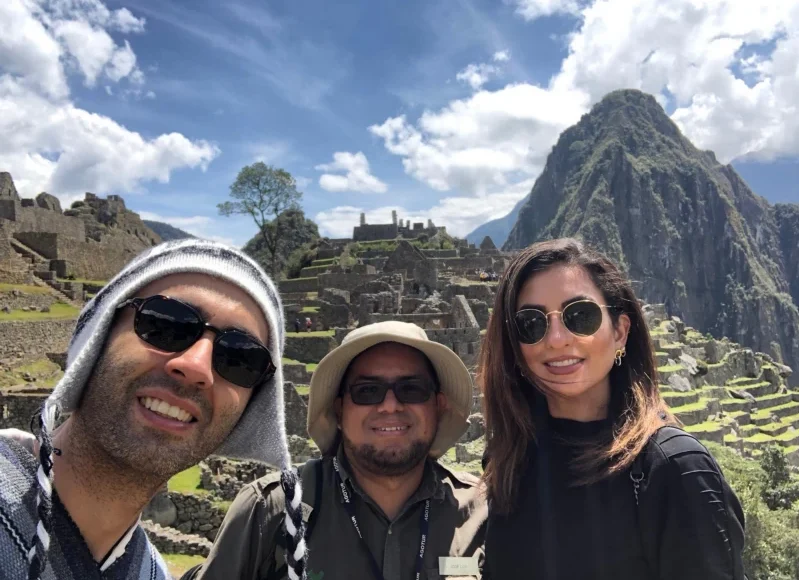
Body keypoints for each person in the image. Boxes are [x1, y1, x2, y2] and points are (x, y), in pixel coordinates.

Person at [0, 239, 307, 580]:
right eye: (166, 324)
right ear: (98, 337)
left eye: (240, 359)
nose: (196, 367)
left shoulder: (150, 572)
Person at [479, 238, 746, 580]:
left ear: (620, 331)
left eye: (580, 316)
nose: (557, 338)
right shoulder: (508, 460)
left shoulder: (673, 471)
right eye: (531, 323)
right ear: (513, 344)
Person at [185, 320, 487, 580]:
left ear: (438, 405)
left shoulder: (484, 514)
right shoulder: (270, 510)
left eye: (412, 389)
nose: (390, 405)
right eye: (367, 391)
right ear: (339, 410)